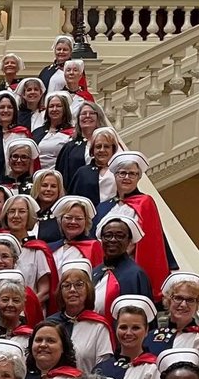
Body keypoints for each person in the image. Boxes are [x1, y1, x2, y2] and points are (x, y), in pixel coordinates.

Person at [92, 151, 174, 299]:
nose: (127, 177)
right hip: (105, 266)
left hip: (132, 267)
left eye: (132, 174)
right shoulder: (103, 207)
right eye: (122, 173)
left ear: (138, 177)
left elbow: (151, 240)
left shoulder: (145, 202)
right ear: (115, 175)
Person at [95, 295, 164, 379]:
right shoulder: (101, 369)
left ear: (146, 331)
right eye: (123, 327)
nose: (128, 333)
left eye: (136, 328)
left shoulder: (153, 369)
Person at [53, 259, 115, 371]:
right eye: (66, 285)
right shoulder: (50, 324)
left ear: (88, 289)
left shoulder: (98, 327)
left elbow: (103, 368)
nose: (72, 290)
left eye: (79, 285)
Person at [92, 210, 154, 313]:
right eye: (108, 235)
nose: (113, 240)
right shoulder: (94, 272)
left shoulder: (136, 275)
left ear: (129, 241)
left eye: (120, 236)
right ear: (101, 239)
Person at [56, 103, 112, 183]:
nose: (87, 116)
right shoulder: (69, 147)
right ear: (78, 119)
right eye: (84, 113)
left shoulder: (109, 145)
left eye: (92, 113)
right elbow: (61, 176)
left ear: (99, 117)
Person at [70, 126, 123, 206]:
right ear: (92, 150)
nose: (102, 150)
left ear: (113, 149)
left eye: (106, 146)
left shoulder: (121, 172)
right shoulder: (82, 172)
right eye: (98, 147)